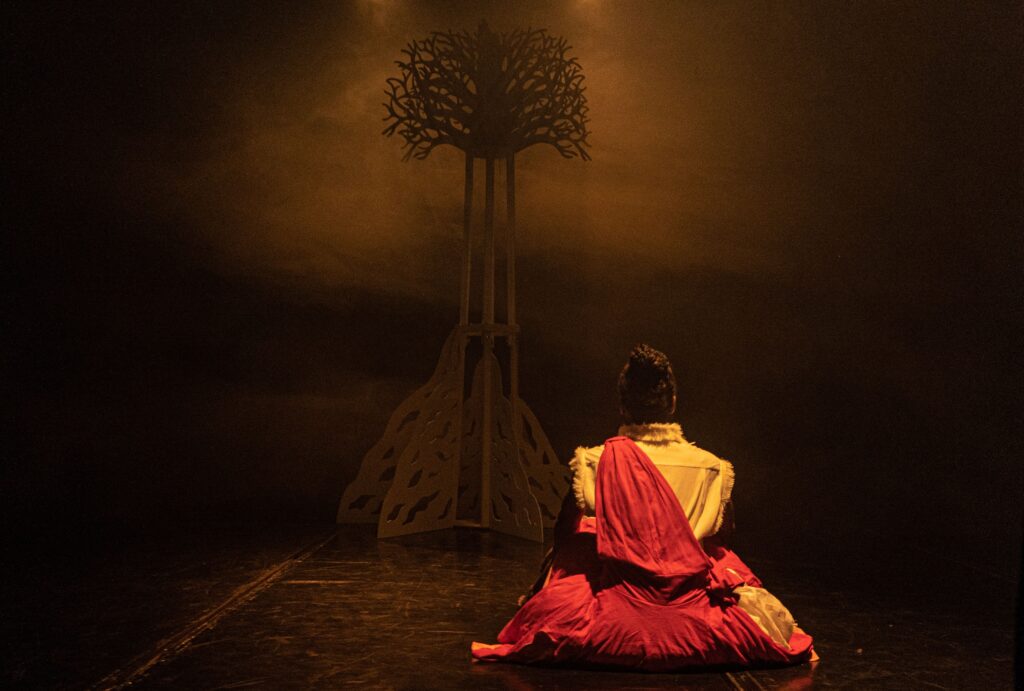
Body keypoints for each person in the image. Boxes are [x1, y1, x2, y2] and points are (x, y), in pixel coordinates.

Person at [471, 344, 816, 670]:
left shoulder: (596, 460)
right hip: (687, 594)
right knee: (718, 552)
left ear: (622, 406)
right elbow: (724, 537)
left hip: (618, 596)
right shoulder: (712, 467)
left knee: (579, 536)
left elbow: (564, 531)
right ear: (673, 402)